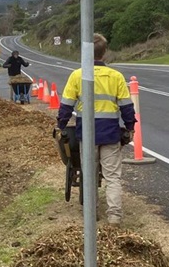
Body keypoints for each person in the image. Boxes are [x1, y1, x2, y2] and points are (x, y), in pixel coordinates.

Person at [55, 34, 136, 225]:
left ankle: (92, 214)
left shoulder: (77, 75)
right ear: (104, 53)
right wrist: (130, 127)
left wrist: (60, 125)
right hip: (110, 133)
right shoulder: (115, 77)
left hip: (87, 135)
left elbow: (66, 106)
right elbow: (126, 107)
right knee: (112, 176)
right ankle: (114, 215)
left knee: (88, 175)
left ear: (86, 53)